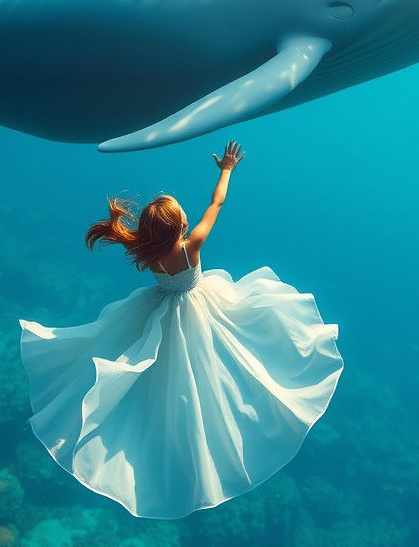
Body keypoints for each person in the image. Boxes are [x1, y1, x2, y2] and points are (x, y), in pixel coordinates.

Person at [19, 141, 342, 519]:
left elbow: (194, 216)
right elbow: (216, 205)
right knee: (224, 368)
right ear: (181, 226)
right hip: (200, 309)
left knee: (167, 377)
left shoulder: (146, 249)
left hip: (159, 310)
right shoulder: (192, 247)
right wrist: (226, 170)